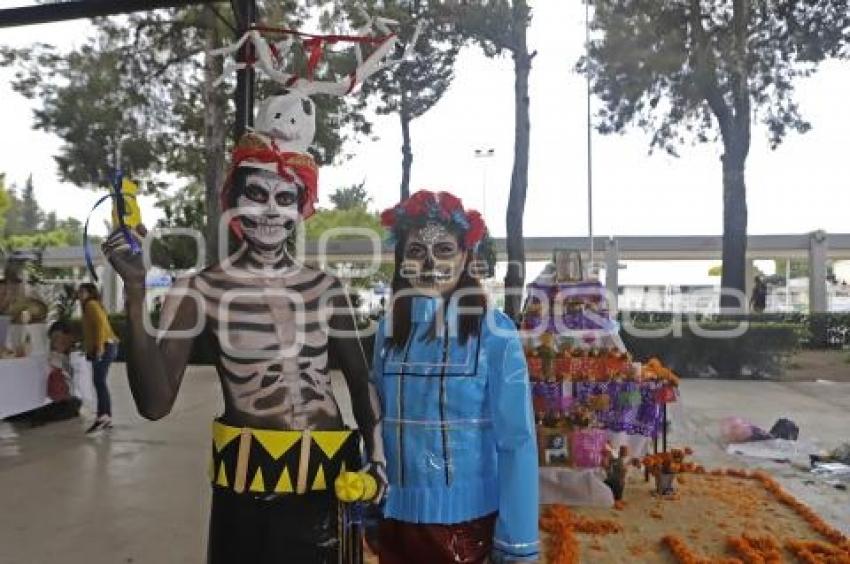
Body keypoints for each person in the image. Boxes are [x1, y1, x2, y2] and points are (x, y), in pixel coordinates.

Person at [103, 131, 385, 564]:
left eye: (284, 198)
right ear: (233, 202)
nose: (271, 210)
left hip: (333, 479)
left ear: (300, 206)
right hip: (248, 485)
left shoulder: (327, 288)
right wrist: (137, 289)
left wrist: (377, 457)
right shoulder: (198, 289)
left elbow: (360, 379)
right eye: (256, 194)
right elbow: (155, 404)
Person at [373, 190, 539, 563]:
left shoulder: (495, 333)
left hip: (467, 529)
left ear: (466, 257)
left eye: (445, 250)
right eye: (416, 251)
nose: (430, 261)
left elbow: (517, 441)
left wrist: (518, 541)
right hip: (395, 522)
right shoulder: (387, 333)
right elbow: (376, 422)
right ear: (401, 261)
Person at [78, 282, 119, 433]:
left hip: (105, 346)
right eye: (79, 292)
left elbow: (101, 325)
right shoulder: (90, 306)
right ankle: (105, 416)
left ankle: (104, 416)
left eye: (83, 292)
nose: (80, 295)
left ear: (90, 293)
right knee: (99, 381)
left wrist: (100, 347)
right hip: (105, 346)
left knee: (99, 381)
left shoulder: (91, 305)